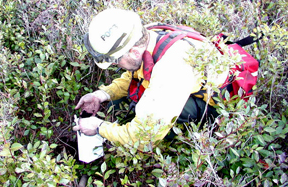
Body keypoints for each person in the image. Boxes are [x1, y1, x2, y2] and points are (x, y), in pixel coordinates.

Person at [73, 8, 228, 149]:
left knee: (152, 123)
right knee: (116, 102)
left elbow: (144, 138)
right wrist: (101, 95)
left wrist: (100, 127)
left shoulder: (172, 70)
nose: (114, 64)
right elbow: (135, 73)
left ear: (133, 52)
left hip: (218, 104)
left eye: (115, 60)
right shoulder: (143, 35)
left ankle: (175, 147)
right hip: (184, 81)